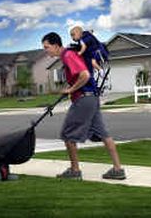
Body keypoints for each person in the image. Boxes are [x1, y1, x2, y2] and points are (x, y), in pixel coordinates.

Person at [41, 32, 126, 180]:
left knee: (68, 134)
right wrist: (69, 89)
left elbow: (85, 75)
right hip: (92, 98)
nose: (45, 50)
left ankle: (75, 171)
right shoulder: (70, 55)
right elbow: (80, 76)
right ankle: (118, 169)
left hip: (84, 99)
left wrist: (71, 89)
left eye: (46, 47)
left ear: (56, 45)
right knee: (103, 134)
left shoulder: (68, 55)